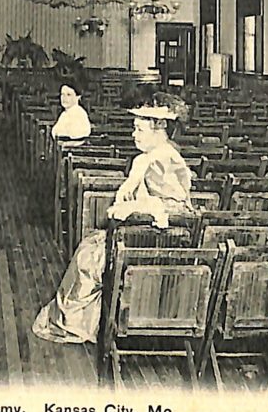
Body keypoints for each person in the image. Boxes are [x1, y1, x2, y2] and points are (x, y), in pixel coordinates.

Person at [32, 92, 195, 344]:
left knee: (89, 257)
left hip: (152, 243)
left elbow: (177, 208)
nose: (134, 134)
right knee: (89, 247)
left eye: (140, 130)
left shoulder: (163, 161)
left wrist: (140, 207)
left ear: (159, 131)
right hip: (141, 236)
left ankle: (79, 322)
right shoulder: (150, 157)